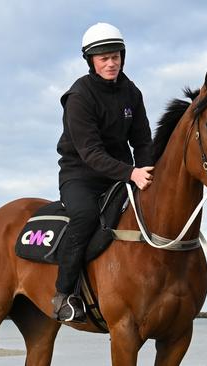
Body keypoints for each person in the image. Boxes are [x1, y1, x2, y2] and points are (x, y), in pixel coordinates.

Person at [52, 22, 154, 323]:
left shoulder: (131, 92)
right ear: (91, 61)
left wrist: (148, 172)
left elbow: (143, 141)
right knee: (84, 216)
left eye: (115, 57)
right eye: (103, 58)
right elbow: (90, 153)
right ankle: (63, 294)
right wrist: (132, 174)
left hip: (122, 174)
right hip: (80, 174)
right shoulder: (79, 97)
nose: (111, 63)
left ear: (122, 56)